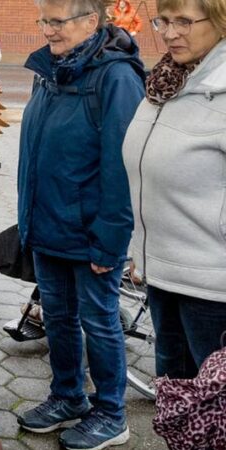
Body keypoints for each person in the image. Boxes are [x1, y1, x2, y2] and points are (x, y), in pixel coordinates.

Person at [15, 0, 146, 449]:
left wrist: (110, 242)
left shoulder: (116, 76)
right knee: (58, 318)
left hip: (91, 234)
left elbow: (123, 165)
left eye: (57, 21)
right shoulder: (51, 69)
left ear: (92, 22)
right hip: (49, 225)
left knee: (100, 321)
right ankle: (67, 397)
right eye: (44, 21)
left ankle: (112, 413)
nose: (48, 30)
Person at [122, 0, 226, 383]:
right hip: (164, 275)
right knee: (179, 404)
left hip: (214, 287)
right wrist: (143, 248)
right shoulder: (167, 80)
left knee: (214, 412)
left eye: (184, 21)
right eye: (163, 21)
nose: (169, 33)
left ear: (220, 21)